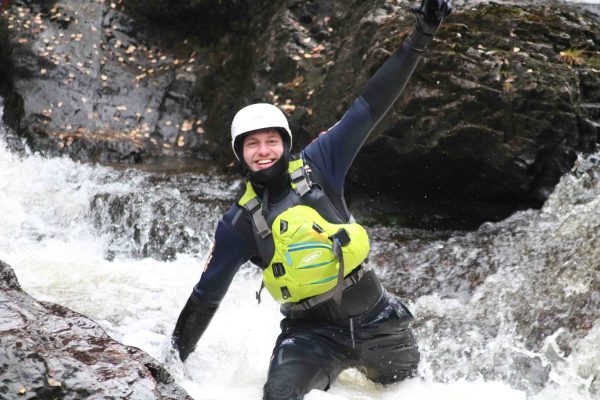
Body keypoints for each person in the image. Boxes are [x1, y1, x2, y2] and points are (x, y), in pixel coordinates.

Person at [171, 1, 451, 399]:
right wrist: (166, 366)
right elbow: (205, 298)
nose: (263, 151)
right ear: (240, 154)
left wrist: (420, 37)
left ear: (286, 145)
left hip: (379, 321)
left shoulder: (321, 164)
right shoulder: (238, 224)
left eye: (272, 141)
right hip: (310, 337)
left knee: (413, 393)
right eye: (253, 144)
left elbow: (369, 107)